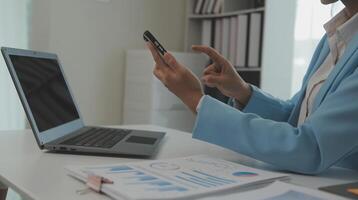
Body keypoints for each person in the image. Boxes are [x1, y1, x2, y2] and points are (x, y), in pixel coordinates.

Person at [147, 0, 358, 175]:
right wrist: (242, 92)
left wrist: (195, 99)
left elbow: (311, 147)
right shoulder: (335, 36)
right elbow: (296, 116)